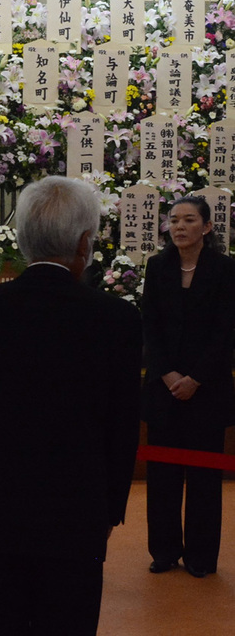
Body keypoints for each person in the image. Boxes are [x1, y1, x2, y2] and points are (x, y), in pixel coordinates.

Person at [0, 176, 142, 636]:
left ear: (21, 238)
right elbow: (122, 424)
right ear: (85, 242)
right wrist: (108, 511)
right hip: (77, 515)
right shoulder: (116, 318)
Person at [141, 195, 235, 578]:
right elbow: (150, 327)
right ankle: (163, 552)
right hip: (164, 389)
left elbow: (225, 332)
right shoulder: (157, 266)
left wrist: (195, 378)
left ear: (207, 227)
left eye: (189, 220)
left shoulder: (226, 269)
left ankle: (200, 557)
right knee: (162, 475)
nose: (179, 227)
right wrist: (167, 375)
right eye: (174, 220)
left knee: (204, 477)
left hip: (206, 391)